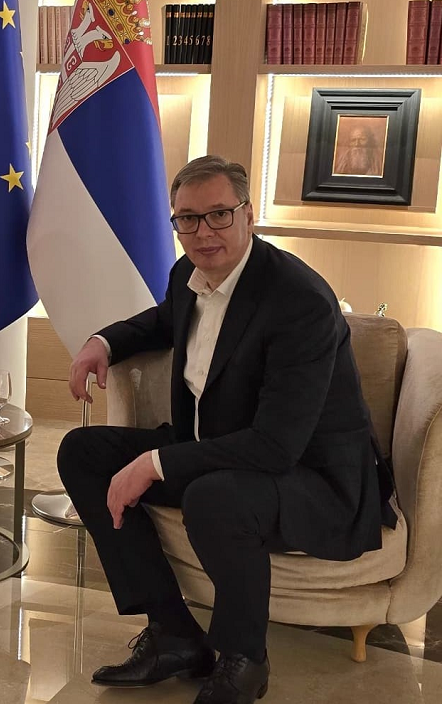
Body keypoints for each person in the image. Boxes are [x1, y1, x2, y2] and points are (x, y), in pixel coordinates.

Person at [57, 155, 395, 704]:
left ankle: (245, 659)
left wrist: (154, 464)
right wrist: (104, 342)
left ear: (248, 214)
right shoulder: (188, 276)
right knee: (82, 452)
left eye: (219, 214)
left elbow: (276, 446)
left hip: (313, 480)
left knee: (214, 497)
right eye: (187, 219)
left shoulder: (299, 300)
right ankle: (172, 634)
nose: (203, 232)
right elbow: (162, 321)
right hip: (219, 450)